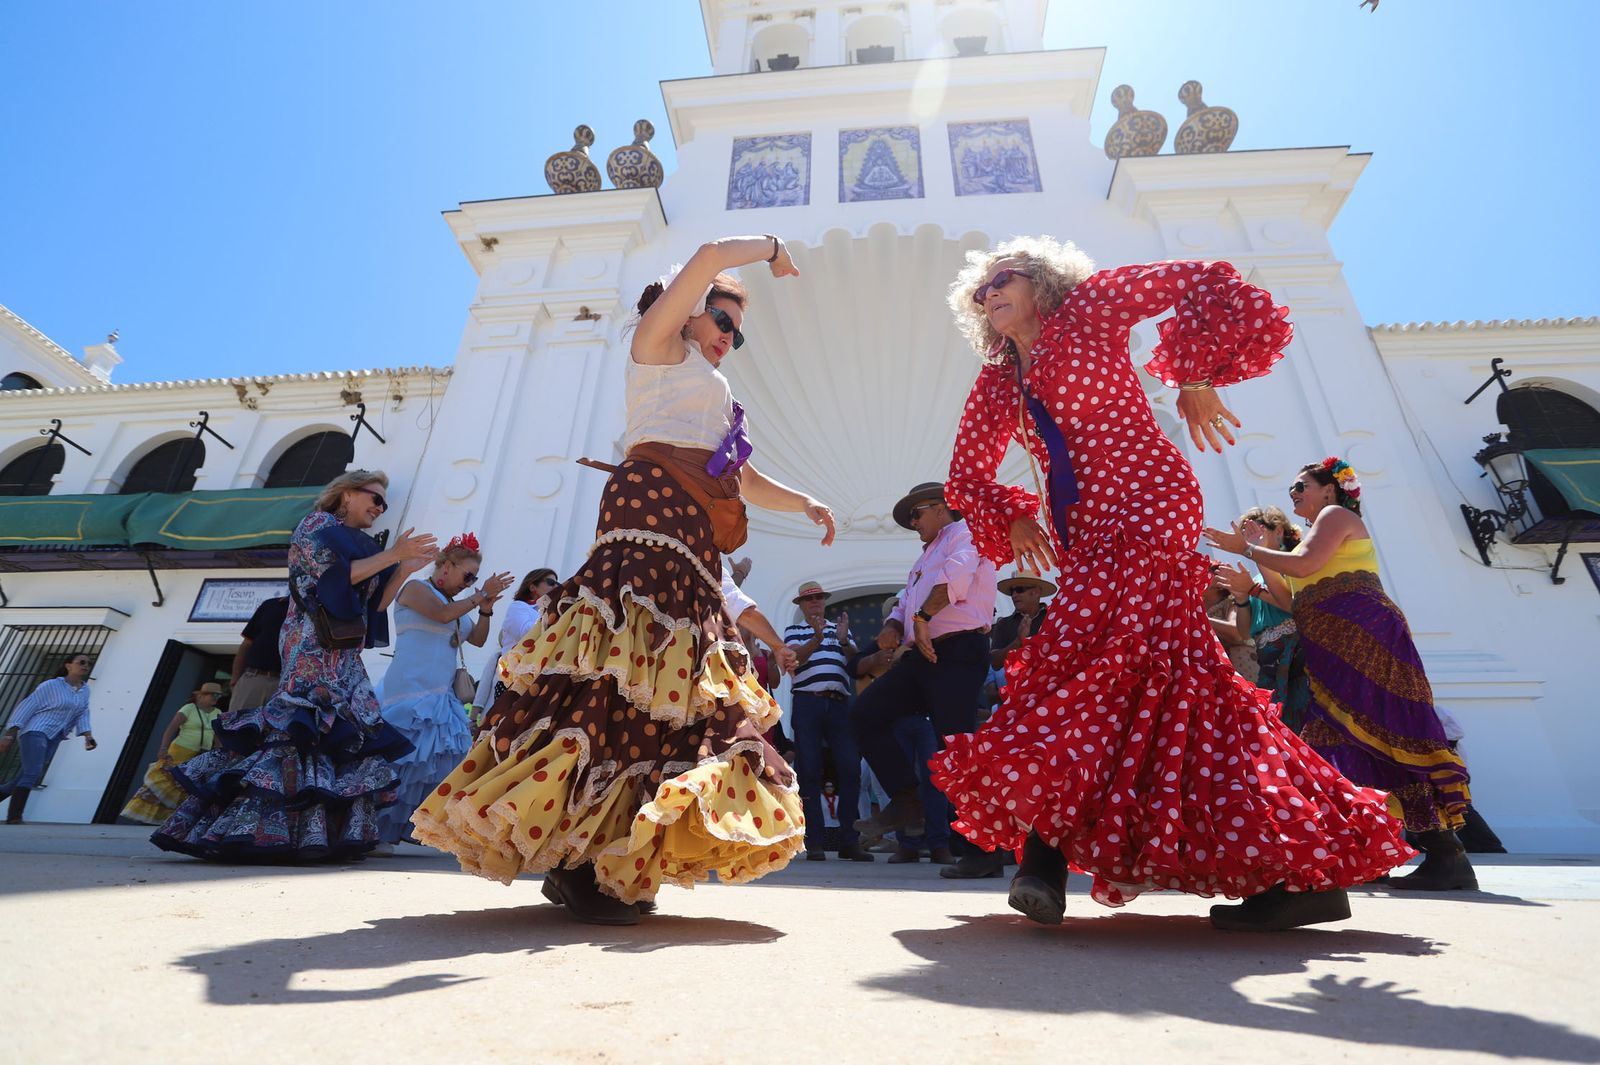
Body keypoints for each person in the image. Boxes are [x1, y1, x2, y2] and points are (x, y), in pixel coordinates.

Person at [931, 238, 1410, 932]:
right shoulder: (1000, 378)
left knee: (1089, 660)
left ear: (1041, 280)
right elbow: (965, 473)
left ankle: (1043, 859)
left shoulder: (1091, 308)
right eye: (979, 292)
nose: (989, 294)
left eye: (1001, 278)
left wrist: (1193, 375)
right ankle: (1303, 867)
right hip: (1088, 533)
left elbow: (1206, 279)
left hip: (1150, 500)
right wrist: (1014, 514)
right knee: (1172, 685)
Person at [412, 235, 838, 925]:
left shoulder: (723, 401)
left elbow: (744, 478)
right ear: (691, 309)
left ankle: (607, 854)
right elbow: (704, 255)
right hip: (644, 526)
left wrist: (805, 501)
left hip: (695, 545)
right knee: (616, 680)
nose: (731, 336)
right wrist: (769, 250)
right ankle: (581, 861)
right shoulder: (658, 349)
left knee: (669, 695)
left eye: (739, 331)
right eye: (723, 320)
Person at [1205, 457, 1476, 891]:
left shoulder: (1335, 516)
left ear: (1329, 490)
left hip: (1365, 634)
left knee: (1388, 728)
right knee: (1346, 738)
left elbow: (1307, 566)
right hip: (1328, 644)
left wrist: (1248, 550)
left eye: (1301, 485)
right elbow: (1291, 600)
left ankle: (1446, 852)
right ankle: (1382, 851)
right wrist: (1249, 586)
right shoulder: (1303, 543)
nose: (1293, 493)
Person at [152, 470, 438, 861]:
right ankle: (259, 828)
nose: (379, 507)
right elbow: (329, 581)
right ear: (345, 495)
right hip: (311, 642)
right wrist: (392, 556)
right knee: (303, 727)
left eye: (383, 503)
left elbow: (376, 606)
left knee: (348, 728)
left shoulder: (365, 544)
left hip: (345, 652)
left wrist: (404, 568)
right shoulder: (318, 525)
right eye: (374, 497)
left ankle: (318, 832)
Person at [851, 482, 997, 868]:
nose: (913, 523)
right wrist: (894, 624)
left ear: (941, 508)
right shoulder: (924, 557)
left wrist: (921, 618)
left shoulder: (967, 533)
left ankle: (984, 851)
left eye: (917, 515)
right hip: (923, 653)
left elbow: (956, 579)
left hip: (959, 649)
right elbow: (905, 601)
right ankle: (906, 802)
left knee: (957, 746)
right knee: (865, 713)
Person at [375, 533, 513, 850]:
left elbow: (477, 639)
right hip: (408, 691)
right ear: (446, 566)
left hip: (439, 696)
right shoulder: (415, 590)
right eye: (467, 575)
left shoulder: (457, 606)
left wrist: (486, 608)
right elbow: (440, 615)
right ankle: (376, 825)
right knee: (401, 761)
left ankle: (406, 827)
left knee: (431, 763)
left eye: (474, 578)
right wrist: (479, 595)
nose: (469, 583)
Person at [941, 569, 1054, 880]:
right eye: (1013, 590)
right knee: (1000, 778)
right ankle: (994, 851)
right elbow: (994, 661)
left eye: (1023, 589)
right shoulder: (1005, 625)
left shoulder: (1057, 619)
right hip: (1015, 711)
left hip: (1051, 711)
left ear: (1037, 593)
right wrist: (1018, 644)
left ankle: (1037, 857)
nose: (1016, 594)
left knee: (1044, 784)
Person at [784, 580, 873, 862]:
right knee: (809, 771)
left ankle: (849, 840)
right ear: (801, 604)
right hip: (807, 702)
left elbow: (855, 663)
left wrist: (844, 641)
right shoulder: (794, 630)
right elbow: (793, 660)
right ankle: (815, 841)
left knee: (850, 770)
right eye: (810, 599)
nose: (816, 603)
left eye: (819, 598)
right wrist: (817, 639)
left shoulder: (839, 630)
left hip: (839, 705)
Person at [1212, 506, 1310, 732]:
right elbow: (1245, 632)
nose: (1250, 535)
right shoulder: (1255, 578)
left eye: (1258, 528)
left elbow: (1291, 606)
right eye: (1246, 531)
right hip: (1270, 667)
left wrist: (1253, 586)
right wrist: (1241, 597)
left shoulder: (1294, 565)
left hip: (1297, 661)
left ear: (1279, 531)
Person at [0, 652, 96, 824]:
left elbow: (82, 712)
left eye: (89, 663)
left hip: (56, 735)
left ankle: (12, 812)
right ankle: (14, 817)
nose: (85, 666)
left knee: (21, 778)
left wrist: (87, 735)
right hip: (35, 731)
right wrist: (10, 734)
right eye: (81, 662)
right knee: (32, 772)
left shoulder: (84, 689)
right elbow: (28, 706)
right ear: (68, 665)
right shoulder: (51, 685)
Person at [120, 682, 225, 825]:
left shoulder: (217, 712)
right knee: (166, 783)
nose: (215, 698)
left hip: (200, 754)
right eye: (213, 694)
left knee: (187, 786)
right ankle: (147, 817)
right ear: (201, 695)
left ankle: (172, 819)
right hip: (181, 751)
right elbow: (171, 728)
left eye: (218, 695)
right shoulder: (189, 708)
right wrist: (163, 748)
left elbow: (217, 736)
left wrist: (219, 753)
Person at [472, 568, 558, 714]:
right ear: (532, 587)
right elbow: (527, 634)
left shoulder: (547, 612)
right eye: (551, 582)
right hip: (510, 679)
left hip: (532, 682)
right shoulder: (519, 607)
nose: (556, 587)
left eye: (558, 584)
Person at [230, 596, 289, 713]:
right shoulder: (271, 605)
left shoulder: (319, 610)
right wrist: (235, 680)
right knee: (238, 727)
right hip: (253, 679)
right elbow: (246, 644)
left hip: (288, 686)